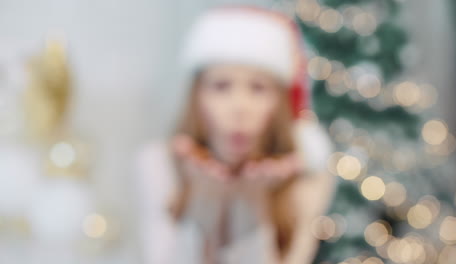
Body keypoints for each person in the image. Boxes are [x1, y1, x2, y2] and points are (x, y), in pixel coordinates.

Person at [135, 5, 336, 264]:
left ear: (279, 102)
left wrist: (251, 208)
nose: (239, 107)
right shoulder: (159, 164)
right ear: (197, 96)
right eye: (221, 86)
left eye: (258, 88)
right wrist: (204, 203)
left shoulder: (305, 177)